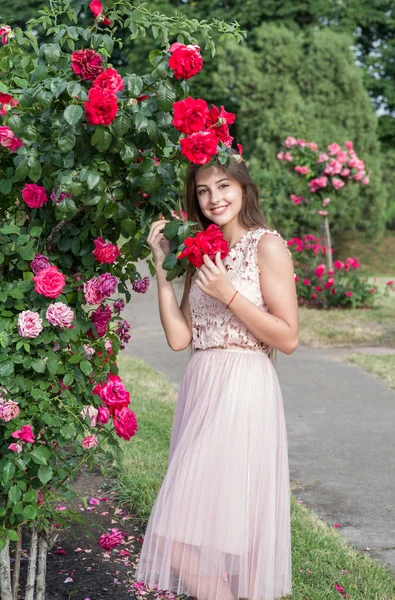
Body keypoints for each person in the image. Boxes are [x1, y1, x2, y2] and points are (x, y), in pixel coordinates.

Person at [134, 151, 298, 600]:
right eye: (203, 190)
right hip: (203, 385)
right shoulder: (203, 251)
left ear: (243, 186)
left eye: (223, 185)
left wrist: (228, 294)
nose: (213, 198)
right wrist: (165, 269)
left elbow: (287, 337)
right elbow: (179, 338)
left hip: (243, 387)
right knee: (224, 533)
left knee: (182, 535)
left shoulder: (266, 244)